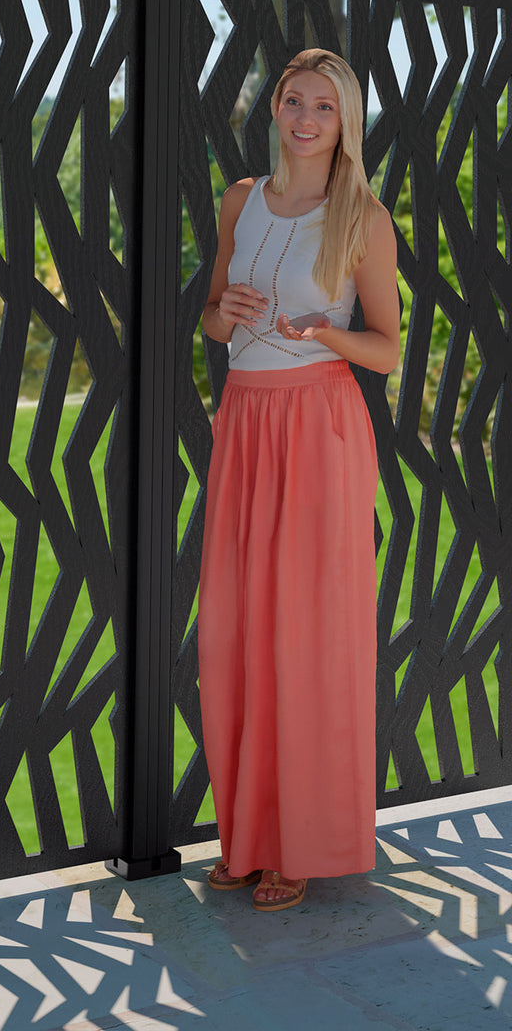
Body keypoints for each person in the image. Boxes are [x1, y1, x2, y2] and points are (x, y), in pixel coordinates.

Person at [197, 48, 401, 912]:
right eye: (294, 101)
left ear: (345, 119)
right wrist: (225, 312)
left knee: (309, 637)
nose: (306, 118)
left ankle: (302, 845)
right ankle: (247, 838)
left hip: (320, 428)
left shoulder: (363, 217)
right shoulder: (239, 200)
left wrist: (325, 333)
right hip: (244, 425)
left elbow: (386, 349)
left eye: (324, 105)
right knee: (238, 635)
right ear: (275, 108)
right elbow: (213, 320)